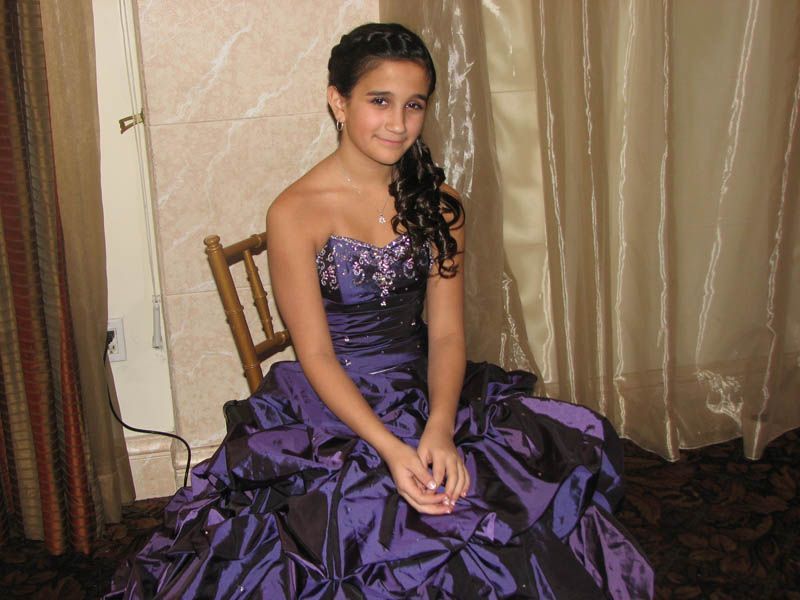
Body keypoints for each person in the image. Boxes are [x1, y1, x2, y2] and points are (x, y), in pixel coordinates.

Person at [107, 23, 654, 599]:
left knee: (514, 486)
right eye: (379, 101)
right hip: (332, 401)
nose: (398, 123)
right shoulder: (295, 212)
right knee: (379, 520)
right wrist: (392, 449)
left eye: (413, 105)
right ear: (337, 101)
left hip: (427, 388)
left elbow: (445, 333)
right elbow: (314, 354)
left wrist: (440, 428)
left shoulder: (440, 205)